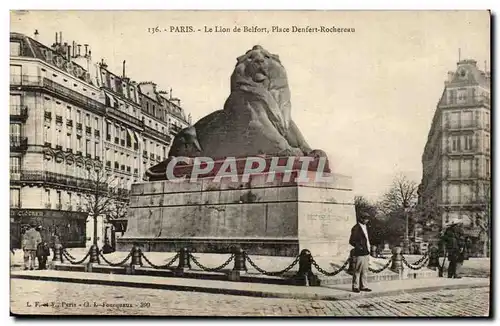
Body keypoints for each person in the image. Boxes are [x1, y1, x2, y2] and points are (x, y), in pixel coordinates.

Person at [349, 212, 372, 293]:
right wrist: (359, 247)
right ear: (361, 219)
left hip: (367, 251)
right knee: (357, 270)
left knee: (365, 270)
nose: (367, 220)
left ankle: (363, 286)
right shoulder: (356, 228)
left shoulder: (367, 227)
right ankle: (355, 286)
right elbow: (352, 241)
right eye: (366, 219)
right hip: (359, 252)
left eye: (367, 219)